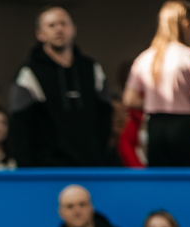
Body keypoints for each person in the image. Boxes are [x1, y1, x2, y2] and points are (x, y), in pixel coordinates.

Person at [9, 6, 113, 167]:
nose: (59, 29)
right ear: (40, 34)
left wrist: (99, 153)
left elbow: (105, 114)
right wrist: (26, 168)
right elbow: (20, 125)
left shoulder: (91, 68)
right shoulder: (29, 73)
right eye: (51, 25)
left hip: (90, 164)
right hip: (46, 167)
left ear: (73, 29)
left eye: (63, 24)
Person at [125, 0, 190, 167]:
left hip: (155, 126)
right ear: (187, 23)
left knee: (159, 180)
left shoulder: (145, 57)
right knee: (186, 181)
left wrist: (155, 101)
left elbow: (129, 99)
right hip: (183, 128)